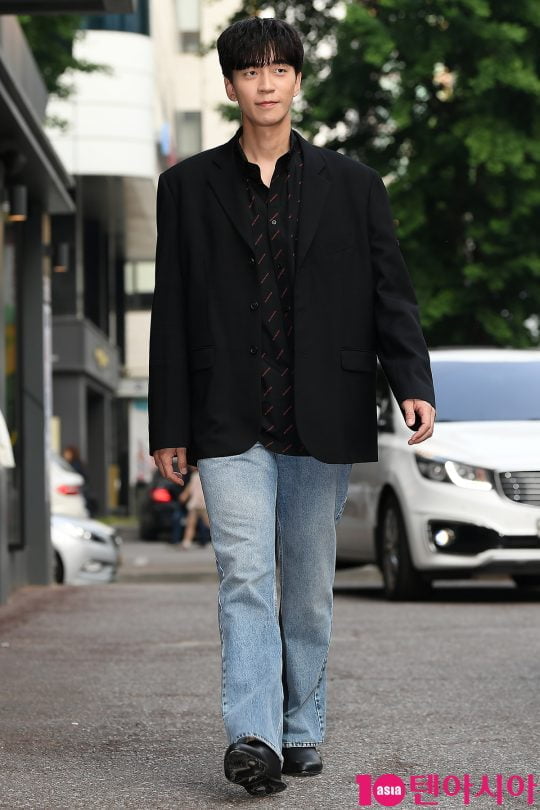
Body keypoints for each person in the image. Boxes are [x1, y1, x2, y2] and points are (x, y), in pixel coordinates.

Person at [148, 17, 436, 797]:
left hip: (323, 414)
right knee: (245, 576)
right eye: (251, 71)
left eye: (279, 69)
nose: (266, 83)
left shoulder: (355, 185)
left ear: (298, 81)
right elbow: (171, 310)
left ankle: (302, 726)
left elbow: (390, 293)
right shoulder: (187, 187)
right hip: (228, 416)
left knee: (306, 588)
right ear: (230, 84)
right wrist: (168, 424)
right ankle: (255, 737)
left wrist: (411, 380)